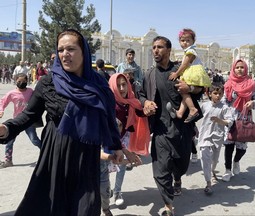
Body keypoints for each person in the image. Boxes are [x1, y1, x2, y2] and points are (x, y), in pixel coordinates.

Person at [0, 29, 123, 216]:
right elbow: (29, 115)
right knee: (52, 206)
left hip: (86, 155)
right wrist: (7, 127)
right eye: (60, 50)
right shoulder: (48, 82)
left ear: (84, 51)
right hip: (55, 153)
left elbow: (107, 117)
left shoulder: (98, 83)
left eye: (71, 49)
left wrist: (116, 146)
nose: (65, 54)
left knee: (85, 208)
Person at [138, 36, 203, 216]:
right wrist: (145, 104)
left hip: (182, 128)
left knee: (181, 165)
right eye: (154, 47)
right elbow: (141, 94)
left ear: (168, 50)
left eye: (159, 47)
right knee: (160, 169)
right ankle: (168, 206)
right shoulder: (149, 74)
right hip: (160, 129)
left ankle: (178, 177)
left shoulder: (180, 70)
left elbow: (200, 88)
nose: (155, 51)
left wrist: (189, 89)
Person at [108, 73, 146, 207]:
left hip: (124, 135)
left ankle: (117, 191)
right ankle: (106, 189)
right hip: (108, 138)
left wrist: (147, 108)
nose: (122, 88)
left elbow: (139, 111)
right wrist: (127, 152)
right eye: (118, 86)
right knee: (106, 166)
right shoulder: (109, 103)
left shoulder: (131, 100)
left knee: (122, 166)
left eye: (124, 84)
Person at [222, 59, 255, 182]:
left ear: (246, 69)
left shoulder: (252, 84)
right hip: (230, 117)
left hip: (244, 118)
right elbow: (223, 101)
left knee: (242, 146)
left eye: (242, 67)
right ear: (233, 69)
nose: (239, 69)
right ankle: (227, 170)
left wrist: (252, 102)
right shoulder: (228, 83)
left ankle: (236, 161)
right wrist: (229, 99)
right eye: (237, 67)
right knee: (229, 144)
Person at [166, 28, 211, 123]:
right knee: (185, 93)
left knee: (183, 90)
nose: (185, 43)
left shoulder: (190, 51)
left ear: (193, 41)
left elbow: (185, 64)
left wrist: (176, 73)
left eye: (188, 40)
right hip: (192, 72)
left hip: (193, 73)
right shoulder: (188, 51)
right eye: (182, 40)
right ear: (179, 42)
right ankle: (180, 112)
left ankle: (193, 109)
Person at [0, 73, 42, 169]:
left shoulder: (31, 91)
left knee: (34, 139)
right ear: (15, 80)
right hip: (16, 121)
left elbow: (39, 100)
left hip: (28, 121)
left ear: (27, 81)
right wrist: (1, 110)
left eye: (23, 81)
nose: (21, 83)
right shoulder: (12, 93)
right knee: (10, 140)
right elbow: (3, 102)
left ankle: (46, 153)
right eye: (19, 81)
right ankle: (8, 160)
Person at [198, 82, 233, 195]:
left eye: (220, 93)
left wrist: (220, 121)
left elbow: (230, 121)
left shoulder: (224, 108)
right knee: (205, 157)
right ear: (210, 94)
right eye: (215, 93)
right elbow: (194, 114)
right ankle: (208, 183)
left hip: (217, 137)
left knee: (214, 160)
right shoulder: (204, 105)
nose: (217, 96)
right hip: (205, 136)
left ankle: (212, 171)